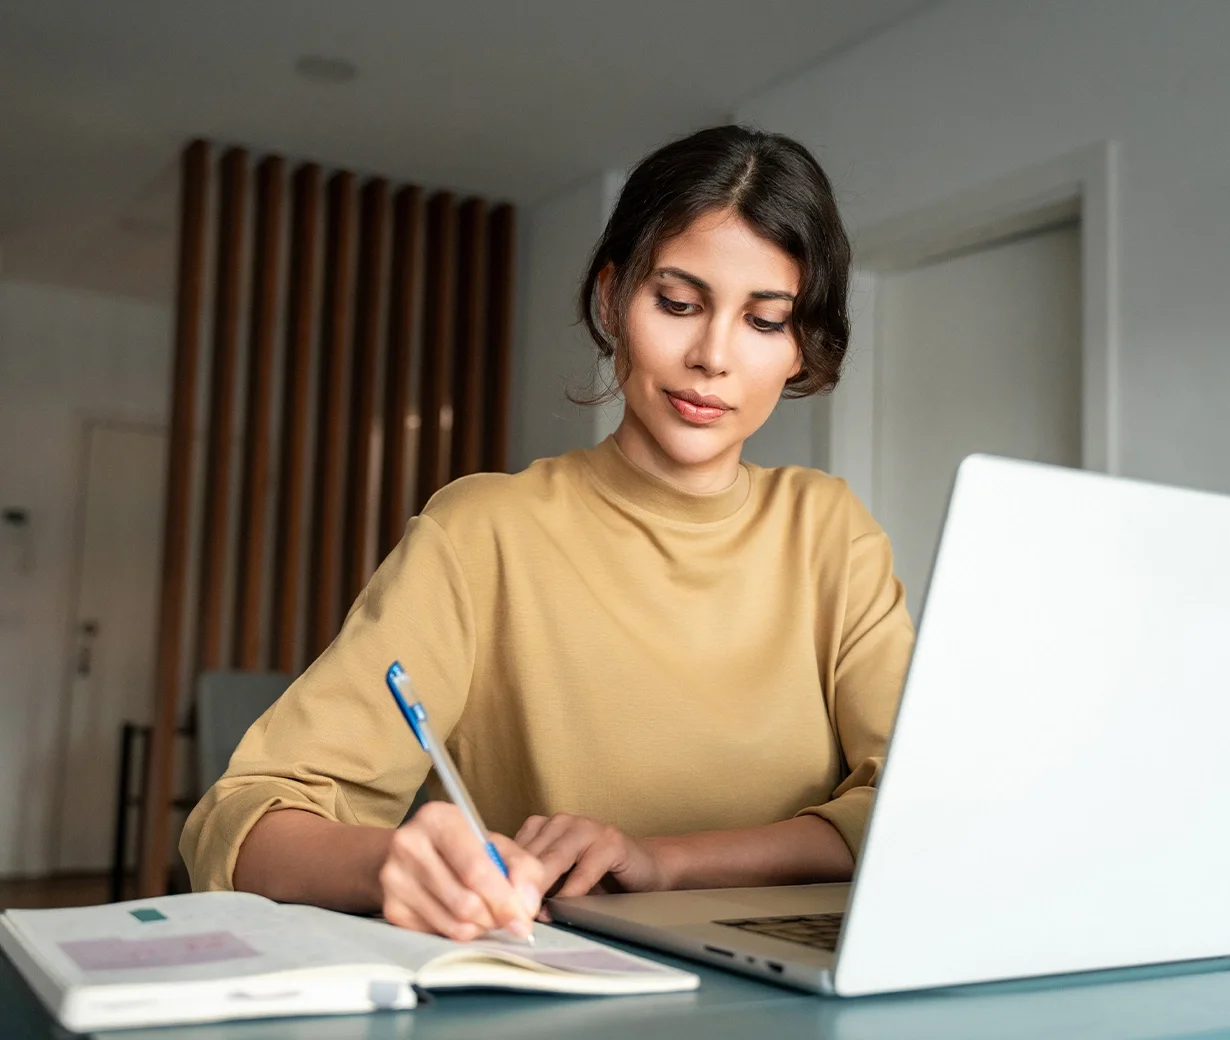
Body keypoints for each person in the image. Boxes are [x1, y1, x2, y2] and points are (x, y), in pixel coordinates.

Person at [181, 124, 914, 943]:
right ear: (611, 300)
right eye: (677, 303)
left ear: (800, 348)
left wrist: (664, 861)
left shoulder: (830, 532)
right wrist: (390, 863)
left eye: (765, 321)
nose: (712, 355)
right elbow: (241, 820)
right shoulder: (482, 533)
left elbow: (912, 806)